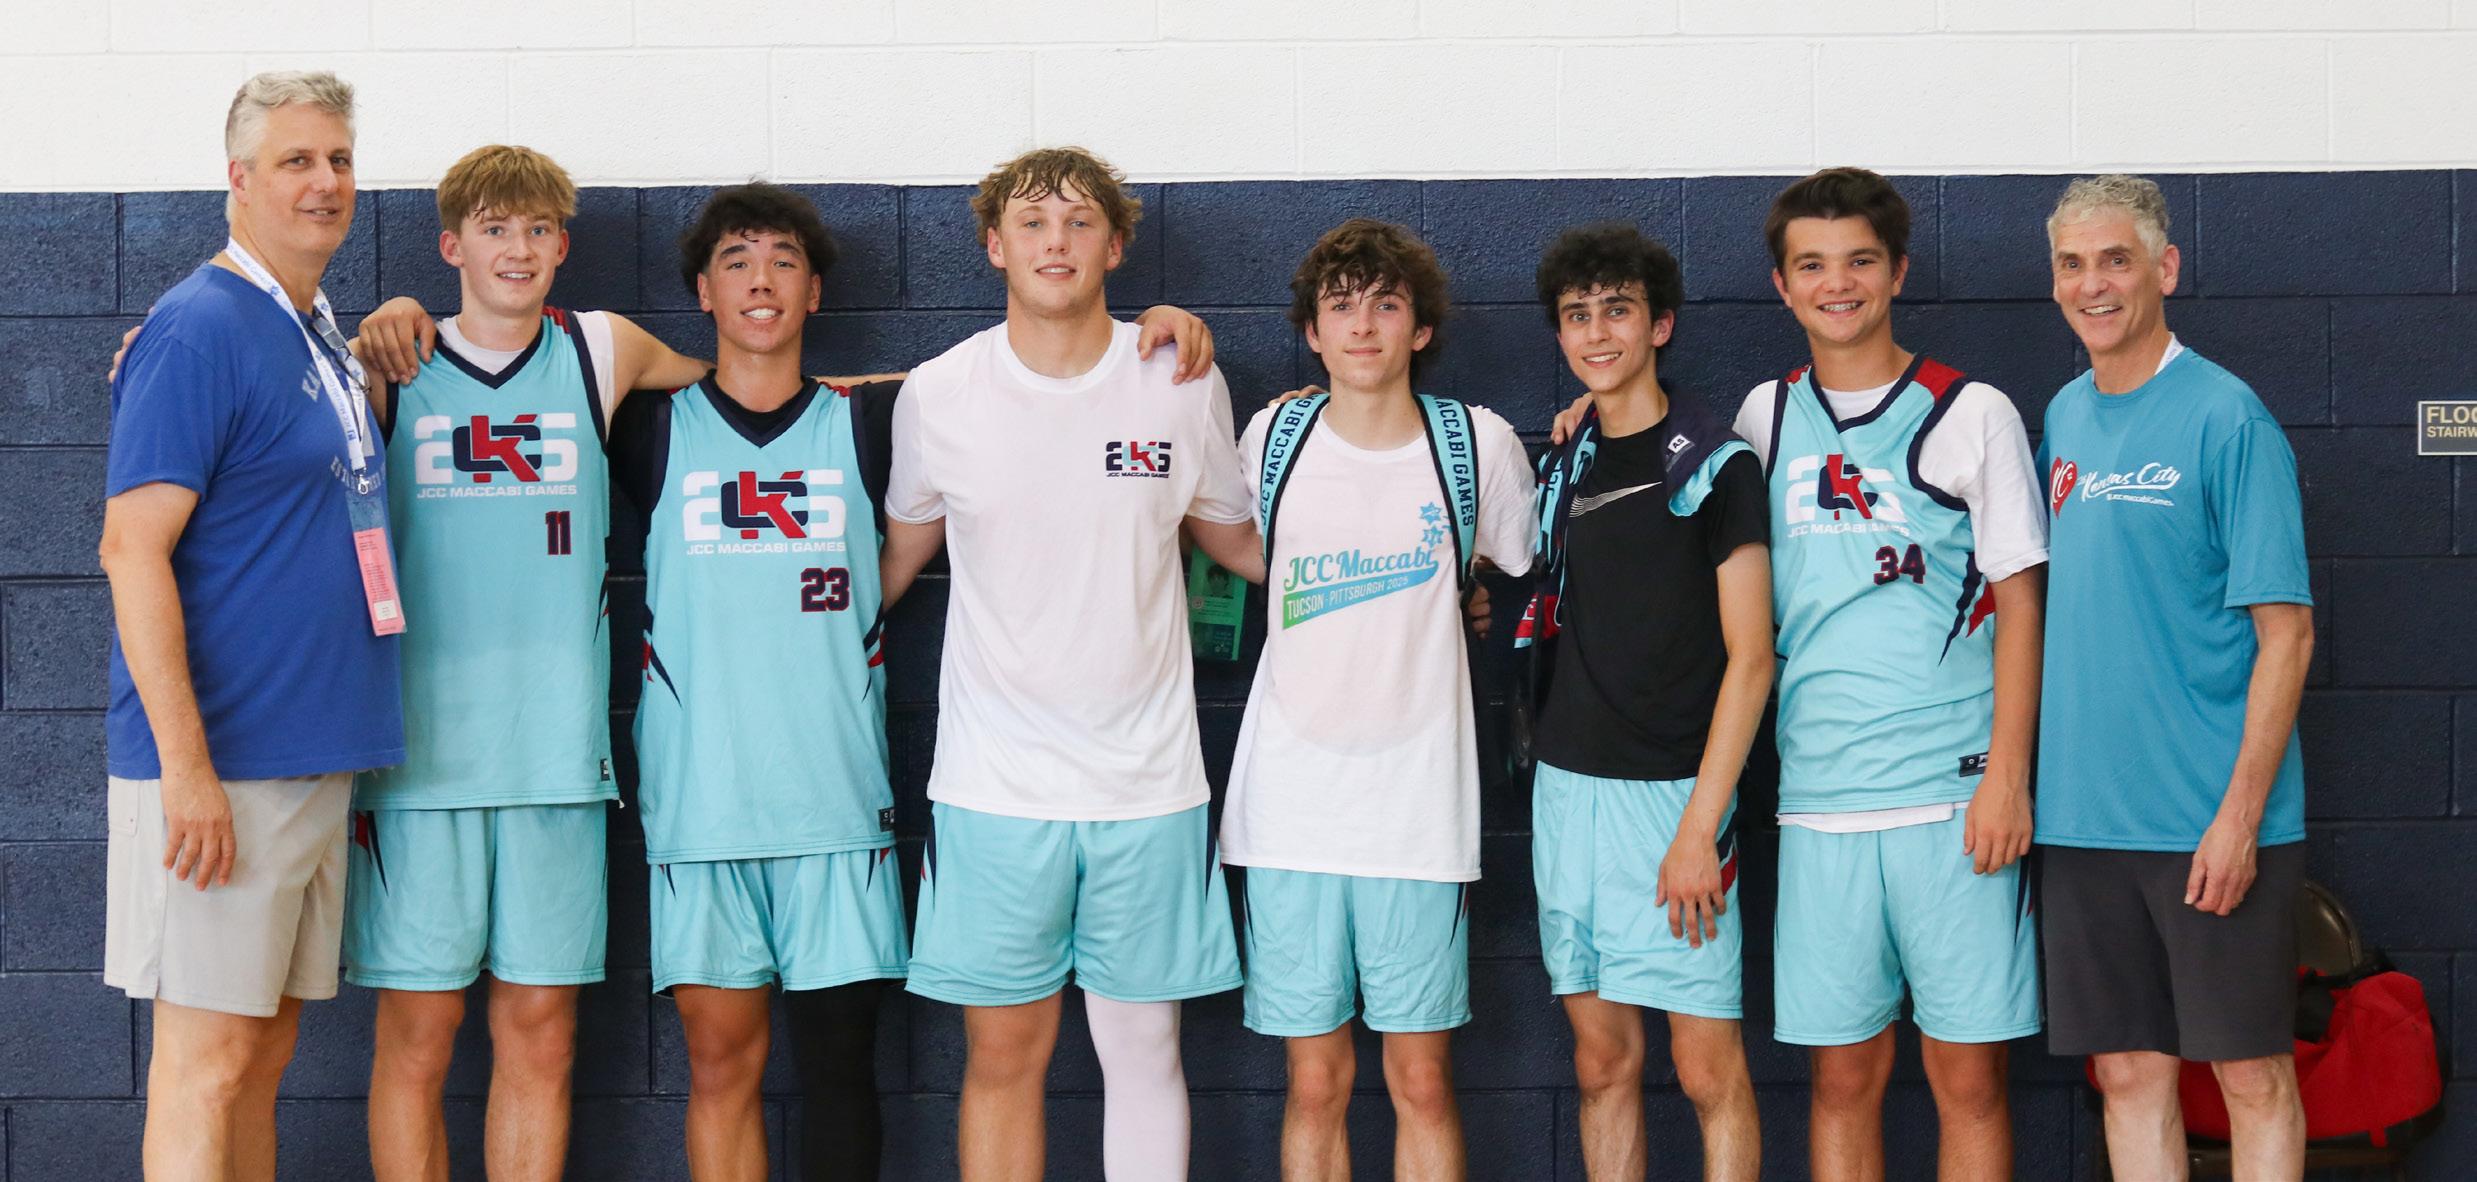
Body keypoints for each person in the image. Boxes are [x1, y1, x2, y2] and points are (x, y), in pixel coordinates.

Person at [337, 143, 719, 1182]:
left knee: (540, 1033)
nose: (518, 248)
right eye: (495, 229)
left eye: (538, 229)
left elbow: (757, 390)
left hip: (556, 759)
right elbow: (261, 378)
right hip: (420, 765)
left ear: (562, 245)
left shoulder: (601, 347)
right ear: (452, 246)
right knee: (416, 1039)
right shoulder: (388, 361)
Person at [880, 146, 1261, 1182]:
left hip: (1148, 785)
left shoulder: (1179, 379)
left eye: (1080, 221)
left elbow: (1242, 545)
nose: (1057, 241)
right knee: (1003, 1059)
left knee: (1144, 1052)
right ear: (994, 246)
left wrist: (1407, 576)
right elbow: (893, 565)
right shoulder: (941, 392)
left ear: (1115, 246)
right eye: (1033, 222)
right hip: (993, 788)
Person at [99, 70, 402, 1181]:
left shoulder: (315, 331)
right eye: (295, 161)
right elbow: (130, 550)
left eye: (339, 160)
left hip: (311, 755)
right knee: (206, 1065)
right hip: (223, 768)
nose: (325, 182)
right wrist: (188, 771)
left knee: (262, 1058)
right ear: (237, 178)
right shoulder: (198, 327)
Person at [1740, 168, 2046, 1182]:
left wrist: (2007, 778)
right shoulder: (1761, 417)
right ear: (1782, 285)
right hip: (1819, 800)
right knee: (1840, 1080)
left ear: (1897, 271)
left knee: (1969, 1081)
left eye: (1858, 261)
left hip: (1952, 799)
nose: (1836, 284)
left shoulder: (1971, 411)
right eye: (1811, 265)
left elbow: (2021, 607)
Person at [1222, 219, 1536, 1180]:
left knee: (1422, 1081)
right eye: (1340, 306)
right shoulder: (1270, 437)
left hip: (1416, 812)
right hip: (1290, 812)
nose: (1362, 325)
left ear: (1420, 328)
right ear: (1311, 333)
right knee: (1313, 1083)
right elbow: (1222, 545)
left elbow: (1519, 565)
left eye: (1386, 304)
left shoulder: (1475, 442)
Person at [2037, 173, 2313, 1182]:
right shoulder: (2062, 416)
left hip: (2208, 822)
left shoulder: (2227, 418)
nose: (2092, 284)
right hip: (2082, 821)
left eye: (2115, 260)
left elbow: (2286, 635)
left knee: (2248, 1077)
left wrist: (2238, 819)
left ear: (2165, 268)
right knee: (2126, 1074)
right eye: (2072, 264)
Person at [1522, 223, 1772, 1181]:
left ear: (1659, 324)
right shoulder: (1564, 461)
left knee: (1707, 1069)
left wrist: (1699, 827)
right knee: (1600, 1063)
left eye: (1617, 311)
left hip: (1673, 798)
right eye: (1576, 316)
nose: (1597, 333)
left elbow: (1751, 659)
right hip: (1566, 791)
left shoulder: (1716, 464)